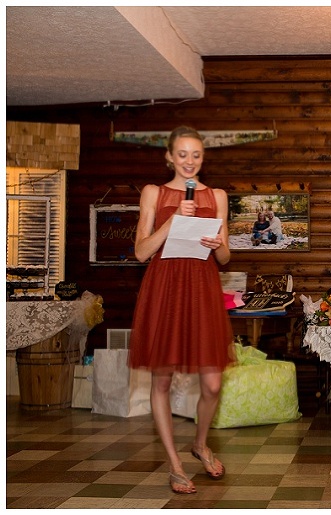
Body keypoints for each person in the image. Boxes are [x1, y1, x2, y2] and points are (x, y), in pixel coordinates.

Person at [128, 126, 232, 494]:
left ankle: (200, 444)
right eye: (183, 154)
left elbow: (225, 257)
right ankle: (175, 465)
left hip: (202, 289)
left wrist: (218, 244)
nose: (190, 161)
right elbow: (141, 252)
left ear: (203, 158)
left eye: (196, 155)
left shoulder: (217, 196)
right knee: (161, 380)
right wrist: (172, 222)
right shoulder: (153, 193)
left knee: (213, 383)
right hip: (165, 290)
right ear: (169, 156)